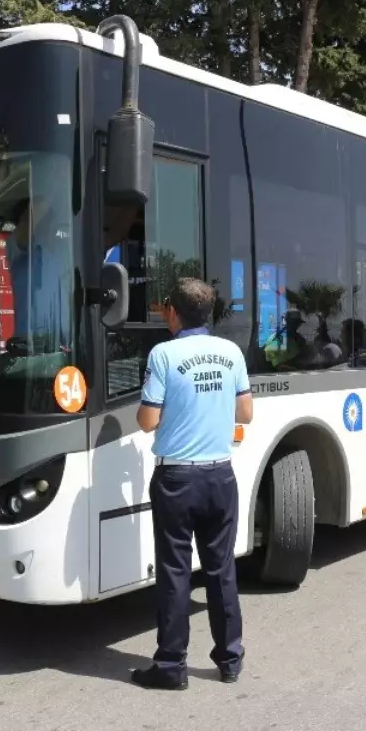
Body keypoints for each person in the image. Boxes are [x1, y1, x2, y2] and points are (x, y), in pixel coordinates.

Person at [131, 277, 254, 690]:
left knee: (175, 571)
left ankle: (171, 667)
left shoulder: (164, 354)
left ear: (172, 311)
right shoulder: (231, 352)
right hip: (220, 475)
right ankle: (230, 660)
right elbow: (245, 413)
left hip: (177, 478)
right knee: (221, 570)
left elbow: (148, 420)